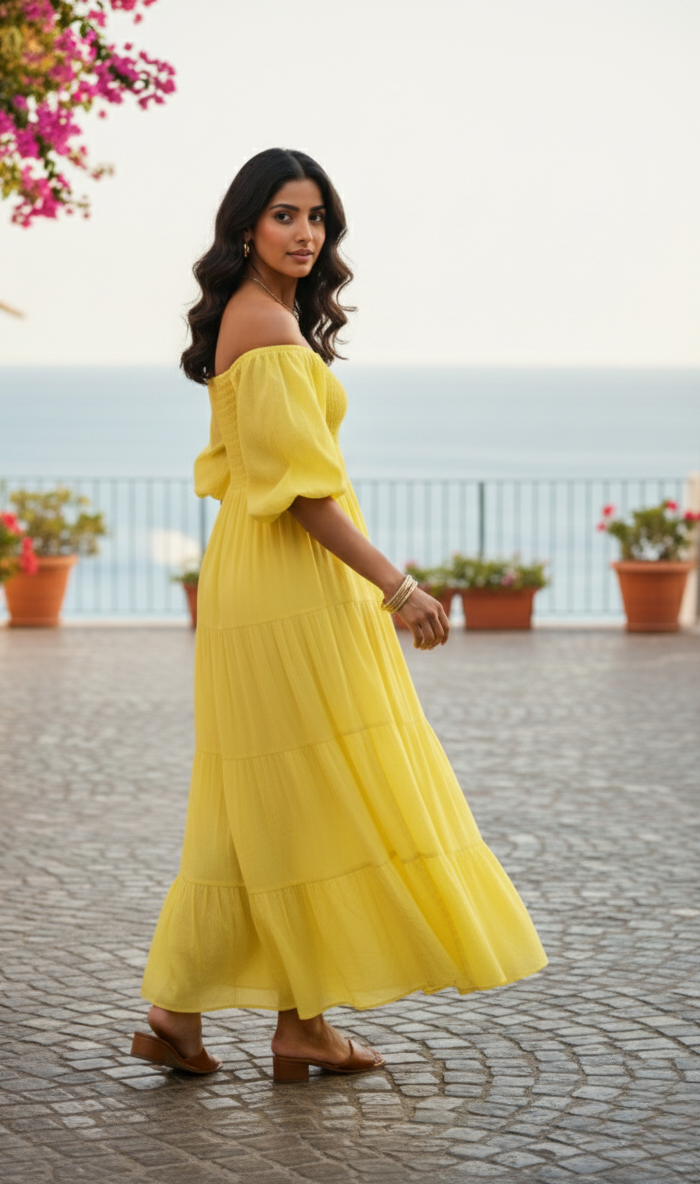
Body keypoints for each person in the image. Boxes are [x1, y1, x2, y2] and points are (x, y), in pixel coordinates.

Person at [131, 148, 547, 1084]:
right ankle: (292, 1023)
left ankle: (206, 1015)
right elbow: (309, 498)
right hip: (289, 581)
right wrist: (399, 589)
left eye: (317, 217)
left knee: (263, 800)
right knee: (313, 792)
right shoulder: (271, 330)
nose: (305, 232)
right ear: (245, 224)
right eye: (285, 214)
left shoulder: (255, 316)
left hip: (256, 574)